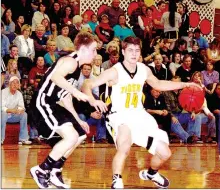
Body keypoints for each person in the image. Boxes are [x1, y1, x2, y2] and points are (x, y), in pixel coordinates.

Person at [82, 36, 200, 189]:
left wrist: (186, 84)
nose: (134, 53)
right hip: (119, 115)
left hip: (140, 115)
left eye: (137, 50)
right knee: (124, 145)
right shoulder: (115, 71)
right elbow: (87, 83)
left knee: (165, 153)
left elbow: (158, 83)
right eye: (130, 50)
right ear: (123, 51)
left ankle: (151, 173)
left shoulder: (143, 69)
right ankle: (116, 180)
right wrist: (93, 100)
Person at [30, 31, 97, 189]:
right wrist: (76, 92)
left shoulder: (77, 68)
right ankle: (42, 169)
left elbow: (64, 97)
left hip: (54, 103)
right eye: (93, 50)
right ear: (83, 50)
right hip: (42, 102)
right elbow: (55, 77)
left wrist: (78, 119)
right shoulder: (71, 61)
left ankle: (55, 170)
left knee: (80, 134)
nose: (95, 54)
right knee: (71, 136)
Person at [1, 76, 32, 145]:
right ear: (9, 84)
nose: (15, 85)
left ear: (19, 85)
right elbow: (2, 107)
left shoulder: (19, 94)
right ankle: (1, 139)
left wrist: (20, 110)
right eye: (13, 83)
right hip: (3, 114)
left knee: (24, 114)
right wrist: (11, 110)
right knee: (3, 113)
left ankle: (23, 139)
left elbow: (22, 106)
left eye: (17, 83)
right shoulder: (3, 92)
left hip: (13, 115)